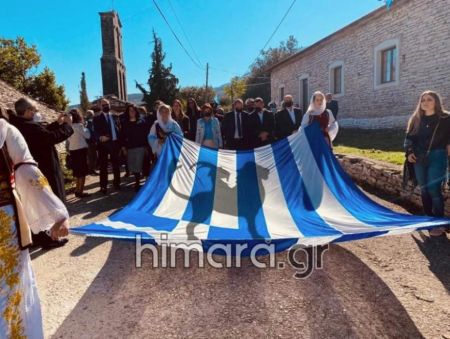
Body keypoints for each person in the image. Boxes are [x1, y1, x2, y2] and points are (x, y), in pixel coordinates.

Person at [0, 116, 70, 339]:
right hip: (3, 221)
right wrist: (57, 214)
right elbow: (27, 172)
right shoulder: (5, 131)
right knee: (8, 291)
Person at [10, 98, 73, 248]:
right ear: (27, 111)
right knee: (47, 204)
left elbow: (41, 132)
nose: (35, 113)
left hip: (31, 169)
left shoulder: (21, 124)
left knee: (35, 205)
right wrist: (67, 126)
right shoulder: (27, 127)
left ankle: (44, 237)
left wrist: (57, 124)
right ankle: (49, 238)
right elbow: (49, 137)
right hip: (43, 168)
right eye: (33, 110)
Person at [404, 91, 450, 236]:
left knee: (434, 189)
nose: (425, 102)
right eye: (423, 100)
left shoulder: (446, 118)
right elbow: (409, 138)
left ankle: (440, 224)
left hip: (438, 156)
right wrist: (409, 152)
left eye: (429, 99)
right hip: (418, 158)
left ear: (436, 101)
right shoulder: (416, 119)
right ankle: (428, 220)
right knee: (424, 189)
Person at [93, 98, 122, 194]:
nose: (106, 106)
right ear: (100, 107)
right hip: (103, 145)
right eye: (104, 105)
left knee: (116, 165)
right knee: (103, 166)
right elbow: (95, 132)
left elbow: (119, 129)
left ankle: (117, 184)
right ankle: (103, 186)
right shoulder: (97, 118)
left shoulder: (115, 116)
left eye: (107, 104)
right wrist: (100, 137)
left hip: (115, 144)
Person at [121, 104, 151, 191]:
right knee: (133, 166)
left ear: (136, 111)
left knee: (139, 165)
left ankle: (138, 183)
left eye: (133, 110)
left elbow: (146, 135)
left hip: (140, 147)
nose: (132, 112)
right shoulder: (125, 123)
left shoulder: (142, 121)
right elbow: (122, 135)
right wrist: (123, 147)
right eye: (130, 110)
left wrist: (146, 146)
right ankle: (137, 181)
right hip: (130, 147)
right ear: (128, 112)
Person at [67, 109, 91, 198]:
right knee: (83, 172)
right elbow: (87, 135)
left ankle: (77, 190)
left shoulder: (68, 126)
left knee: (77, 172)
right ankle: (80, 191)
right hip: (81, 150)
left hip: (73, 151)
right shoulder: (79, 126)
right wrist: (86, 128)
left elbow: (68, 140)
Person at [85, 110, 99, 175]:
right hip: (90, 142)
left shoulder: (90, 122)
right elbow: (90, 132)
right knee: (92, 157)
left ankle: (92, 169)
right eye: (91, 114)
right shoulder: (88, 122)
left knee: (94, 156)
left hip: (92, 142)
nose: (92, 115)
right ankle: (91, 170)